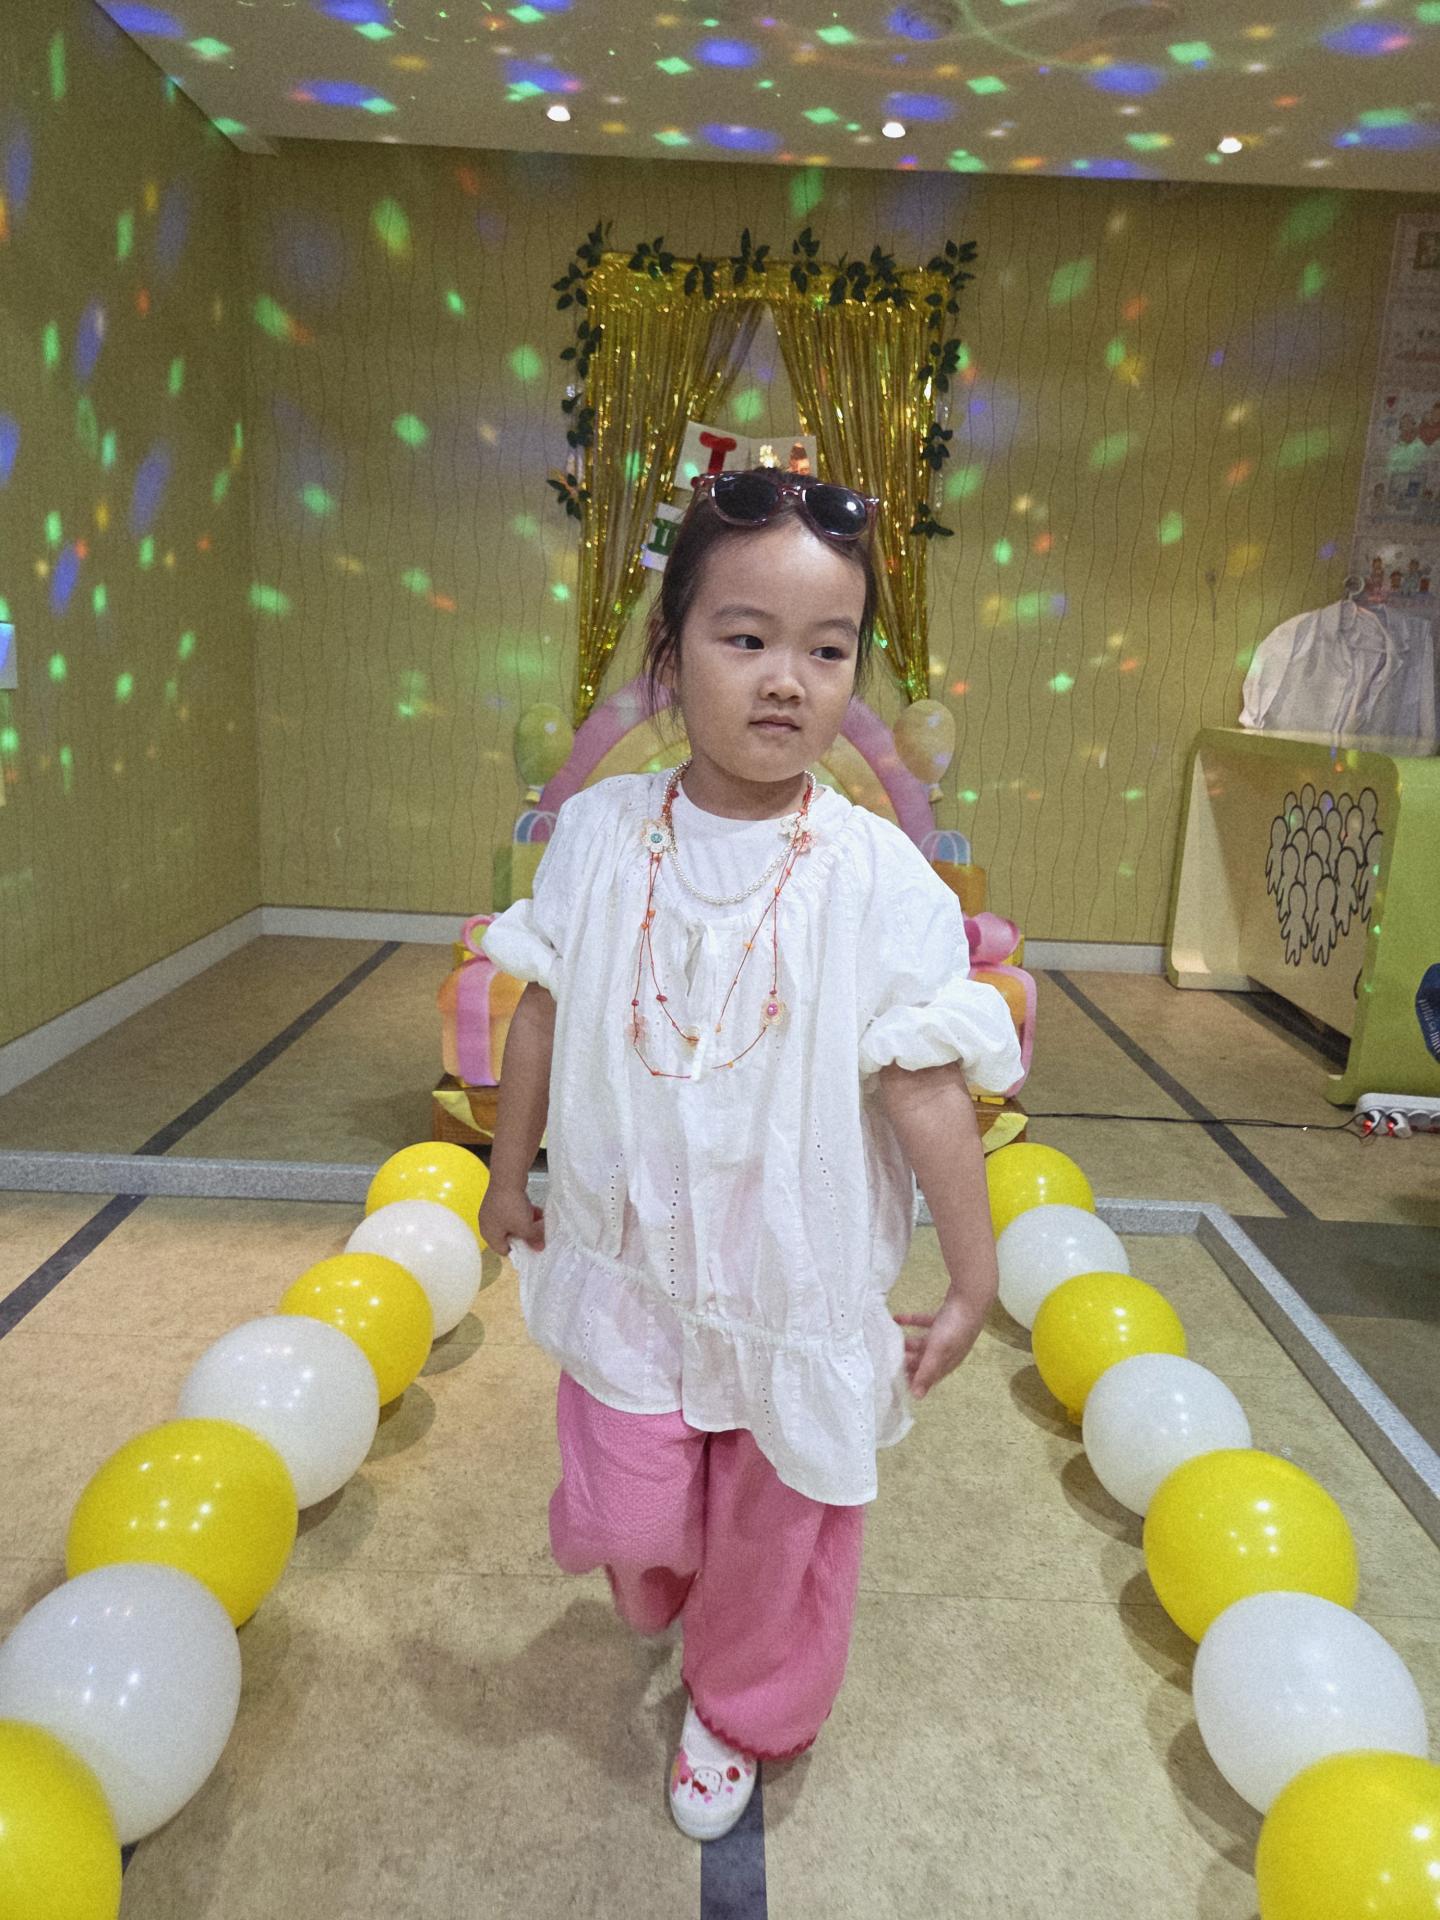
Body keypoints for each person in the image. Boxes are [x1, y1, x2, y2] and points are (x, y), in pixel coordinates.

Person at [478, 467, 1022, 1842]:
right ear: (671, 656)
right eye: (747, 638)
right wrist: (506, 1167)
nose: (789, 679)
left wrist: (974, 1277)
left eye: (828, 651)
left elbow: (928, 1089)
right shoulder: (602, 835)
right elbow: (540, 1009)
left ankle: (741, 1703)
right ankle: (672, 1582)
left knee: (781, 1532)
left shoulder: (877, 876)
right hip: (635, 1259)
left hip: (792, 1275)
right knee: (633, 1511)